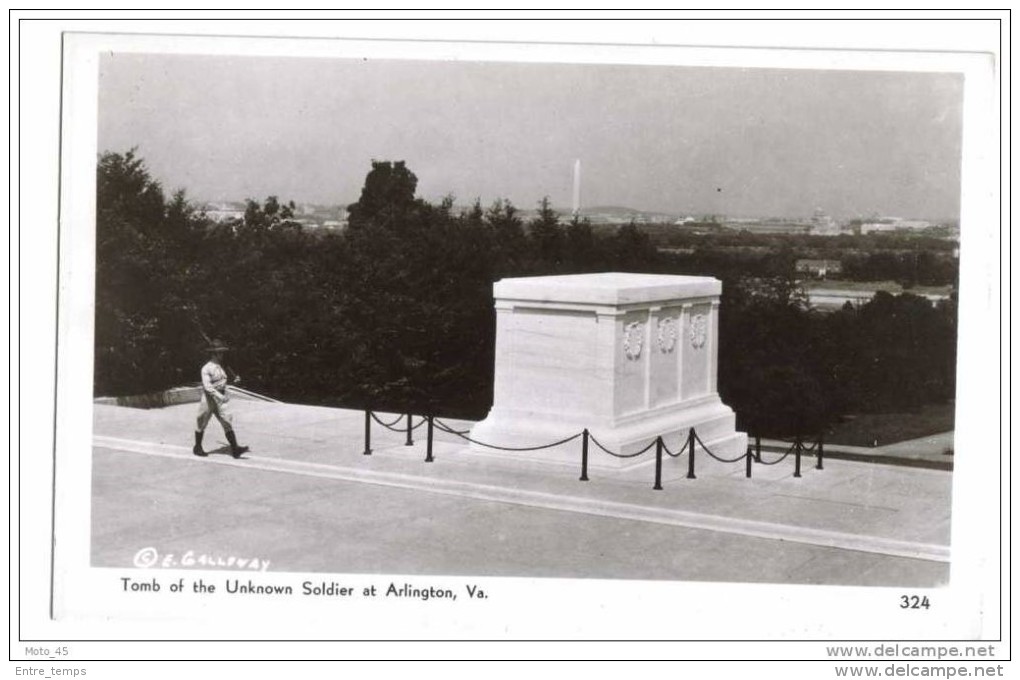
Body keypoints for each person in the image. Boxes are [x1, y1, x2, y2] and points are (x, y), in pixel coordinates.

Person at [193, 339, 249, 458]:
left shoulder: (222, 367)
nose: (222, 355)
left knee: (226, 422)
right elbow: (208, 387)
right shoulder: (206, 368)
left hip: (220, 398)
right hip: (209, 399)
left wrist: (235, 382)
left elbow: (223, 383)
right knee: (202, 422)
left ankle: (235, 449)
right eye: (220, 352)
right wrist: (220, 396)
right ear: (214, 354)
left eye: (222, 352)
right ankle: (197, 447)